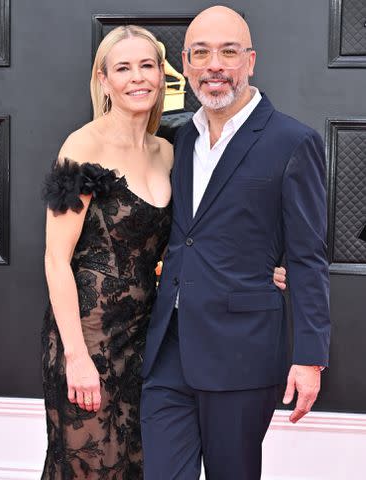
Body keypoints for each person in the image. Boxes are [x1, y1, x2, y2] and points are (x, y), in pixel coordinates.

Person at [40, 21, 288, 480]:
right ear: (104, 80)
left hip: (151, 341)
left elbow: (200, 233)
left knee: (141, 466)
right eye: (123, 68)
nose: (138, 77)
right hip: (89, 338)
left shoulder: (172, 148)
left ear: (163, 74)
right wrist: (76, 356)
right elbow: (56, 260)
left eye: (147, 65)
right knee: (89, 467)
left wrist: (265, 268)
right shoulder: (83, 146)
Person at [140, 6, 331, 480]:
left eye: (228, 52)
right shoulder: (177, 137)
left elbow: (307, 256)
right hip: (168, 346)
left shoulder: (292, 141)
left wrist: (310, 358)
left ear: (251, 60)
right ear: (184, 64)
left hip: (242, 353)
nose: (215, 65)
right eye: (201, 53)